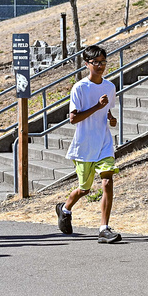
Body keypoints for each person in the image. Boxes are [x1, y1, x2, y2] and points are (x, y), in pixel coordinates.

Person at [55, 45, 121, 244]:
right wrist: (97, 107)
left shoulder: (110, 87)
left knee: (108, 181)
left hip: (104, 143)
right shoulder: (80, 88)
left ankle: (104, 228)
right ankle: (64, 209)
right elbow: (73, 119)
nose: (100, 66)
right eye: (96, 63)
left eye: (103, 62)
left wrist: (111, 119)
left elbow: (109, 114)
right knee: (84, 189)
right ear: (87, 64)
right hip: (84, 146)